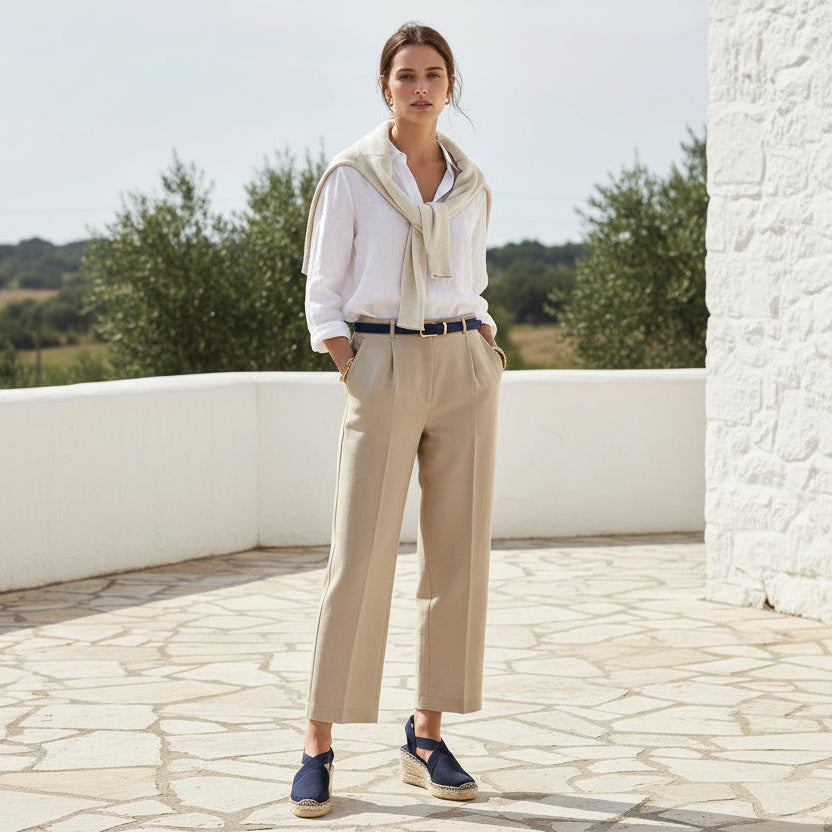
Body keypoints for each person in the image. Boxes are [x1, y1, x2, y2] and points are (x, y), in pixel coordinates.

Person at [289, 21, 505, 819]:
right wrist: (353, 362)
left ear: (452, 87)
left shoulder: (470, 182)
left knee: (457, 561)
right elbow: (324, 289)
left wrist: (483, 341)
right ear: (385, 86)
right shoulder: (353, 176)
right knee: (360, 558)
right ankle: (317, 743)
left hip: (461, 366)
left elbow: (472, 276)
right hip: (381, 362)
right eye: (406, 74)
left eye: (434, 74)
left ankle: (426, 735)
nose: (420, 87)